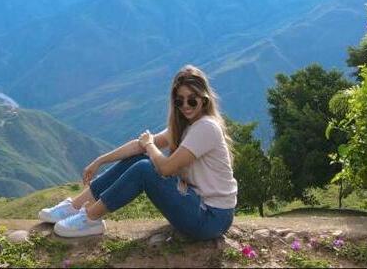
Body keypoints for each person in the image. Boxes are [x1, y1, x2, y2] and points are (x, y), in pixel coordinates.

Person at [38, 65, 238, 240]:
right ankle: (74, 206)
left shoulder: (206, 127)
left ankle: (91, 218)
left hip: (211, 218)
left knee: (144, 168)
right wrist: (100, 160)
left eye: (191, 100)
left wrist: (150, 145)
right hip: (196, 205)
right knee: (140, 159)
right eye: (180, 101)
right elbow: (139, 146)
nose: (185, 106)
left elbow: (166, 168)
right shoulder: (186, 126)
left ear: (204, 99)